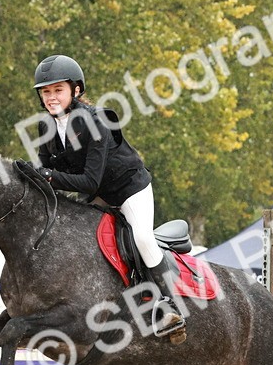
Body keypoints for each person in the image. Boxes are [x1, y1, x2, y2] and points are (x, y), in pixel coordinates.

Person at [31, 54, 185, 342]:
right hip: (98, 194)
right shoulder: (46, 127)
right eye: (46, 92)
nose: (51, 97)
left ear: (76, 90)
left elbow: (87, 180)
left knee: (142, 237)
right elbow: (46, 173)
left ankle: (169, 306)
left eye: (58, 90)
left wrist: (48, 176)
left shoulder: (96, 121)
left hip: (129, 189)